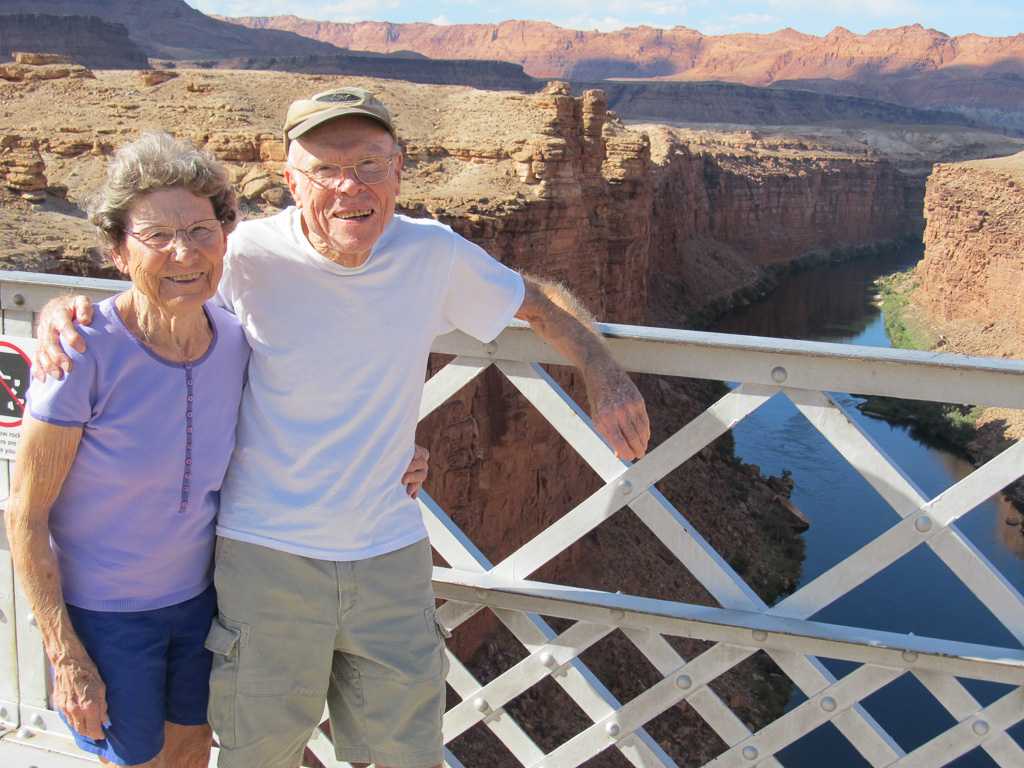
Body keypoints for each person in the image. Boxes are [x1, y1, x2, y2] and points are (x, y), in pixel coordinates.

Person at [33, 86, 651, 768]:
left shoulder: (432, 253)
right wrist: (64, 309)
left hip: (387, 550)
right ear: (291, 181)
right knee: (259, 755)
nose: (348, 185)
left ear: (400, 170)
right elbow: (161, 283)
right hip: (264, 555)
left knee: (404, 754)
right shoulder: (241, 254)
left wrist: (605, 373)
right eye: (325, 169)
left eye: (369, 164)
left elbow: (536, 302)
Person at [12, 131, 430, 768]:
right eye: (155, 236)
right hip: (106, 615)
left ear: (225, 238)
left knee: (189, 757)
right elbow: (24, 514)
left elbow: (313, 405)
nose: (184, 252)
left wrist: (396, 449)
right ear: (119, 251)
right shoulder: (80, 352)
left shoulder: (235, 339)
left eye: (202, 231)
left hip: (206, 601)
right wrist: (63, 653)